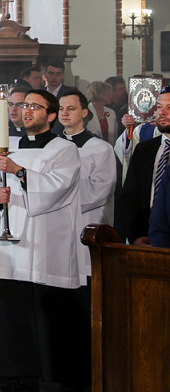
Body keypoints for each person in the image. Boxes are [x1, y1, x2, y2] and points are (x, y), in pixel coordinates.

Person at [0, 89, 85, 392]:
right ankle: (17, 374)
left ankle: (57, 375)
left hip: (45, 240)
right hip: (11, 240)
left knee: (46, 308)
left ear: (51, 116)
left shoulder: (65, 149)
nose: (27, 110)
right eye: (25, 105)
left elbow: (59, 187)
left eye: (36, 106)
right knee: (12, 309)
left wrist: (19, 172)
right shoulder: (8, 147)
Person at [59, 88, 118, 280]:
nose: (65, 113)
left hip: (86, 221)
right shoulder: (52, 147)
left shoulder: (100, 148)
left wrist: (58, 199)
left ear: (84, 112)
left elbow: (101, 189)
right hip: (56, 225)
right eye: (61, 109)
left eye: (71, 108)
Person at [115, 87, 170, 244]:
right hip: (146, 237)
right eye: (159, 107)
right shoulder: (144, 149)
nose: (162, 112)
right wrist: (135, 236)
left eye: (169, 107)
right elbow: (129, 196)